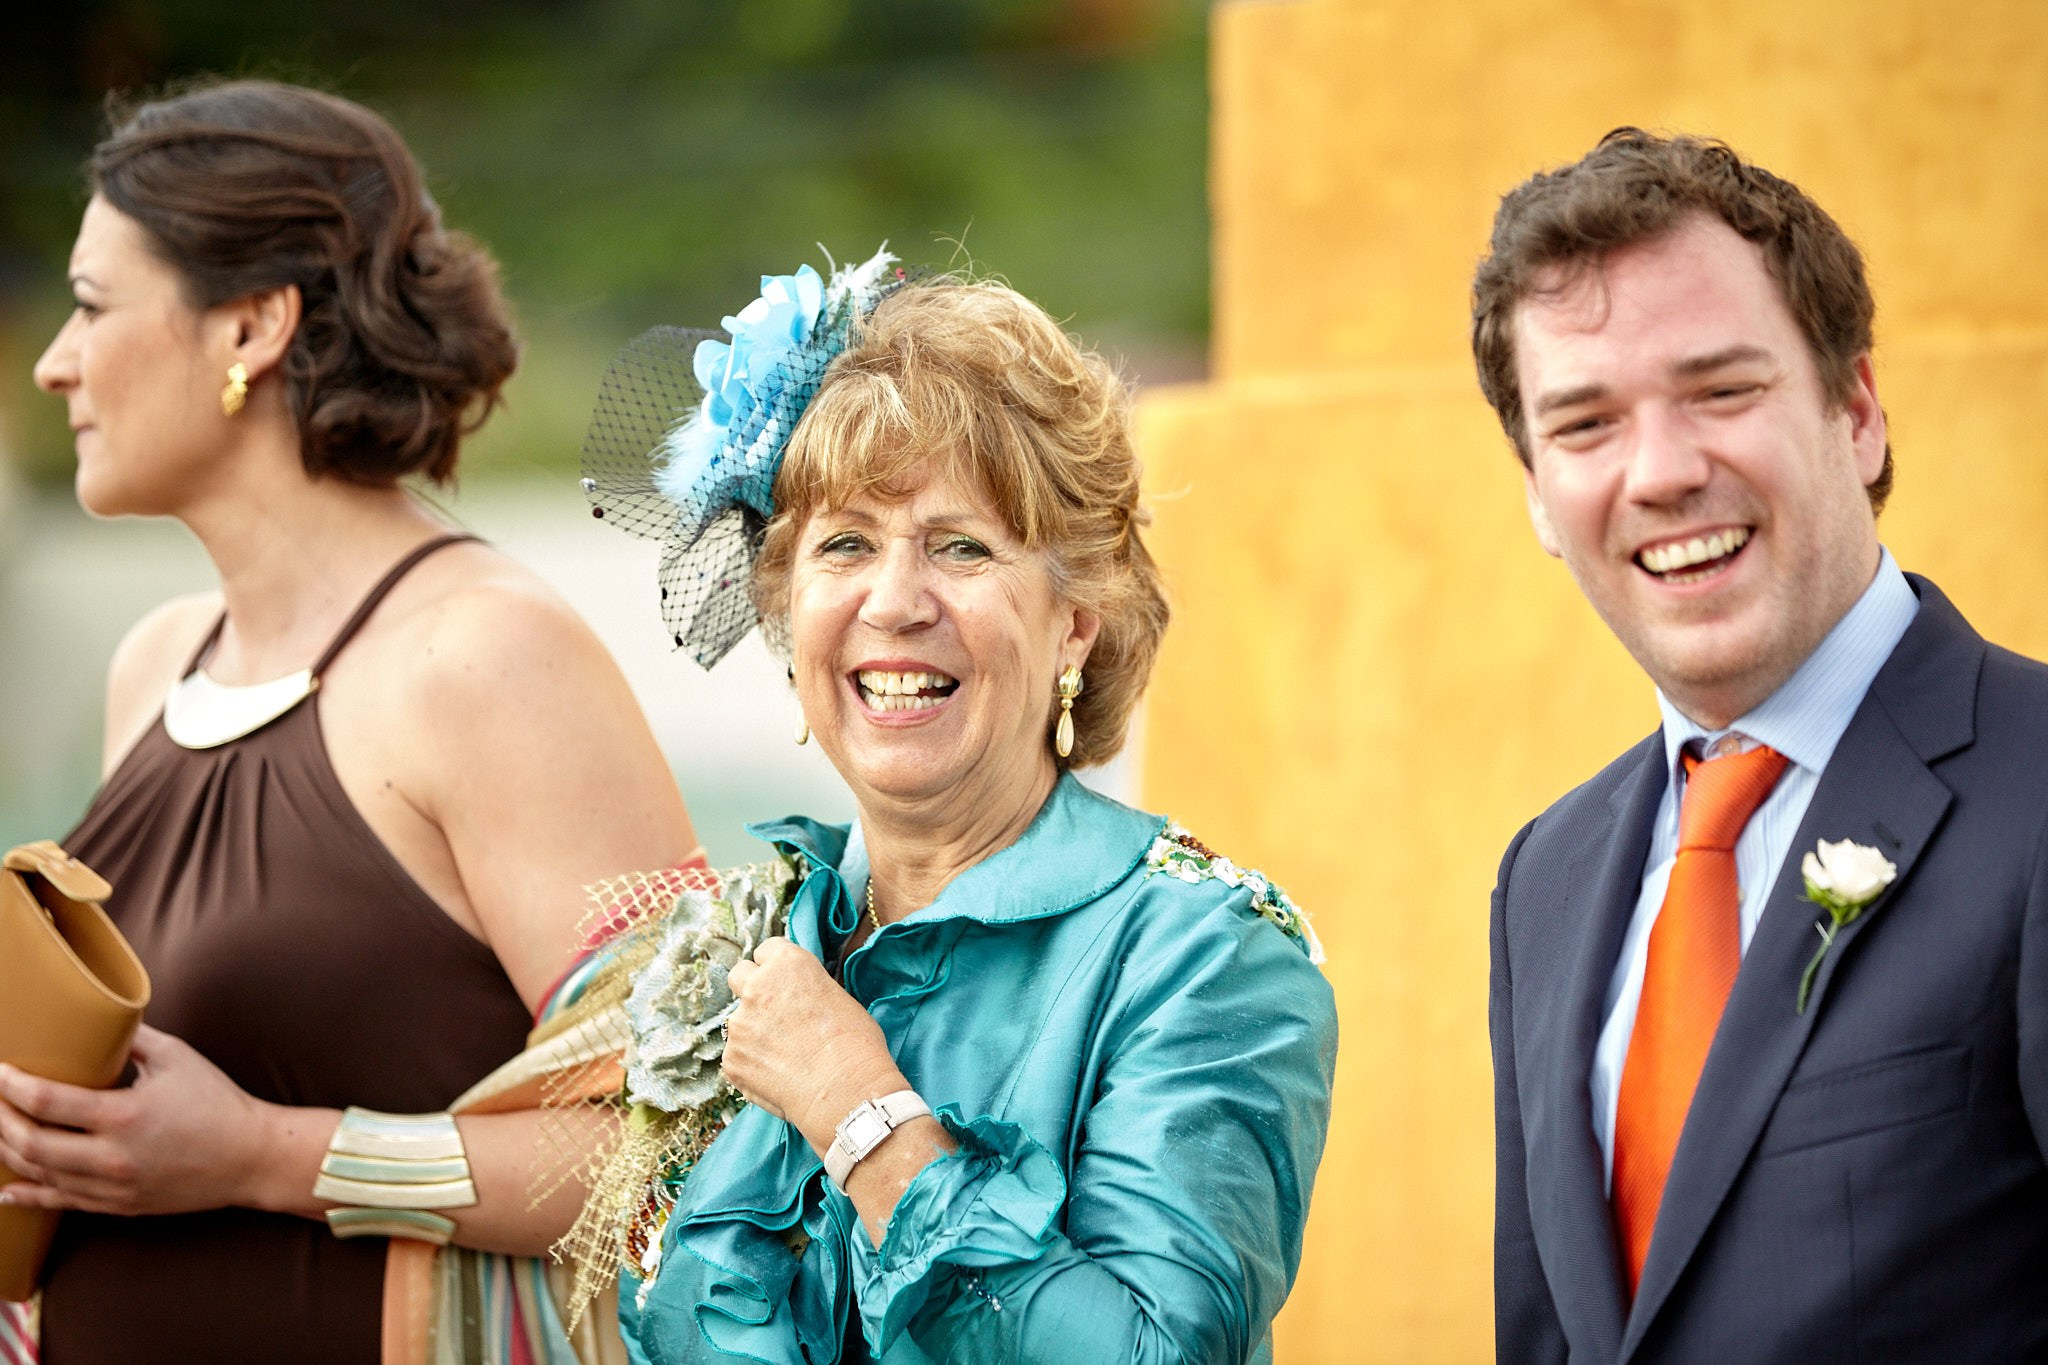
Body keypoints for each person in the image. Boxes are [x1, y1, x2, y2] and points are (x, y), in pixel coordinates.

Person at [0, 79, 699, 1363]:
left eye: (94, 307)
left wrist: (265, 1155)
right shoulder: (152, 667)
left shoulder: (487, 659)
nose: (55, 360)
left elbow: (682, 1148)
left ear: (251, 327)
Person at [566, 252, 1337, 1364]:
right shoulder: (746, 944)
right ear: (789, 616)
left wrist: (861, 1113)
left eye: (959, 547)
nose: (892, 601)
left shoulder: (1204, 950)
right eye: (844, 546)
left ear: (1074, 619)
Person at [1475, 128, 2048, 1363]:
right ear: (1533, 491)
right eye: (1582, 424)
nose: (1662, 472)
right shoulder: (1545, 878)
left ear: (1853, 413)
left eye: (1720, 391)